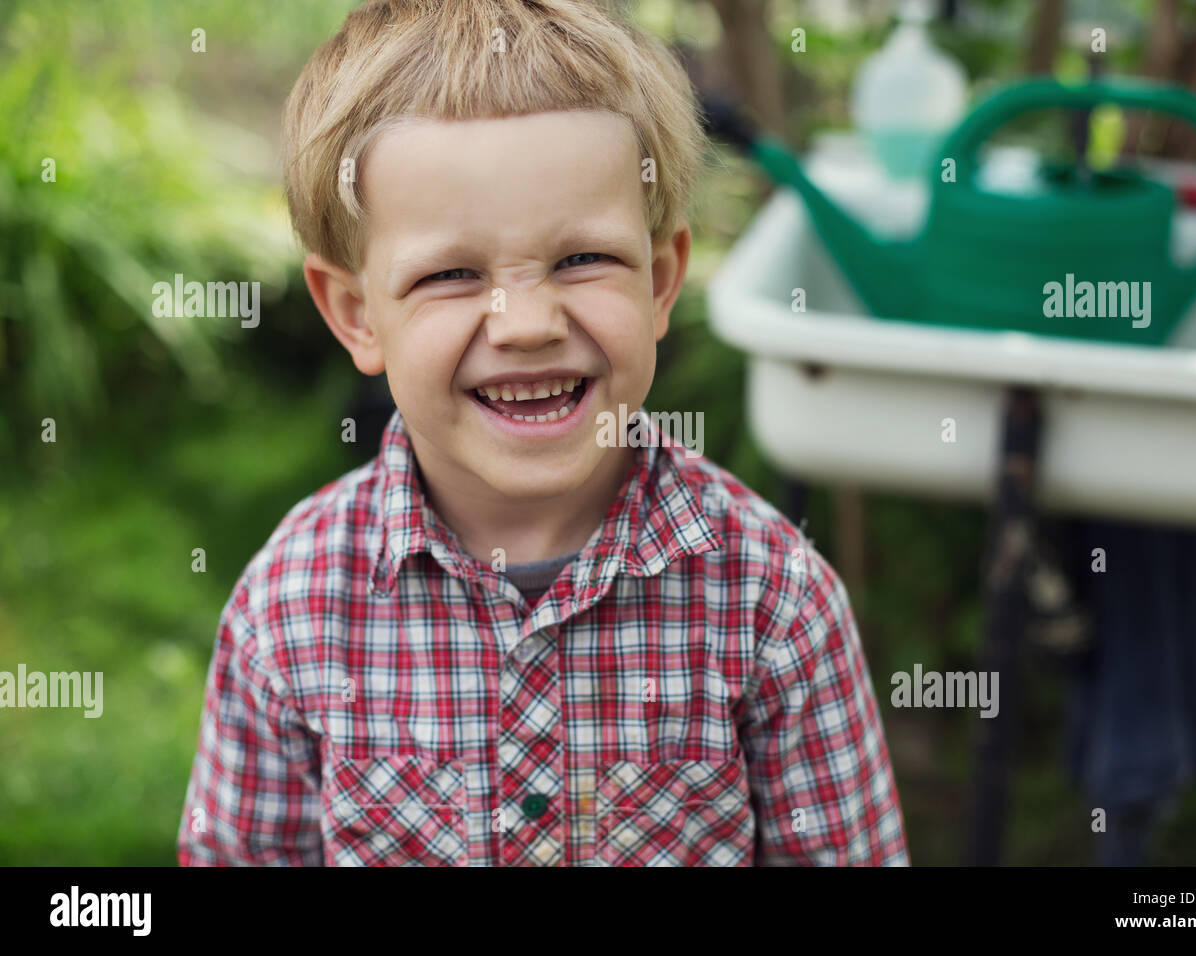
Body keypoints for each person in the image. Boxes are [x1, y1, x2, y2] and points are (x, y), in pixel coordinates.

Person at [177, 0, 906, 866]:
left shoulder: (774, 603)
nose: (524, 323)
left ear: (662, 279)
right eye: (452, 274)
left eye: (581, 259)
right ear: (356, 313)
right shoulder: (289, 609)